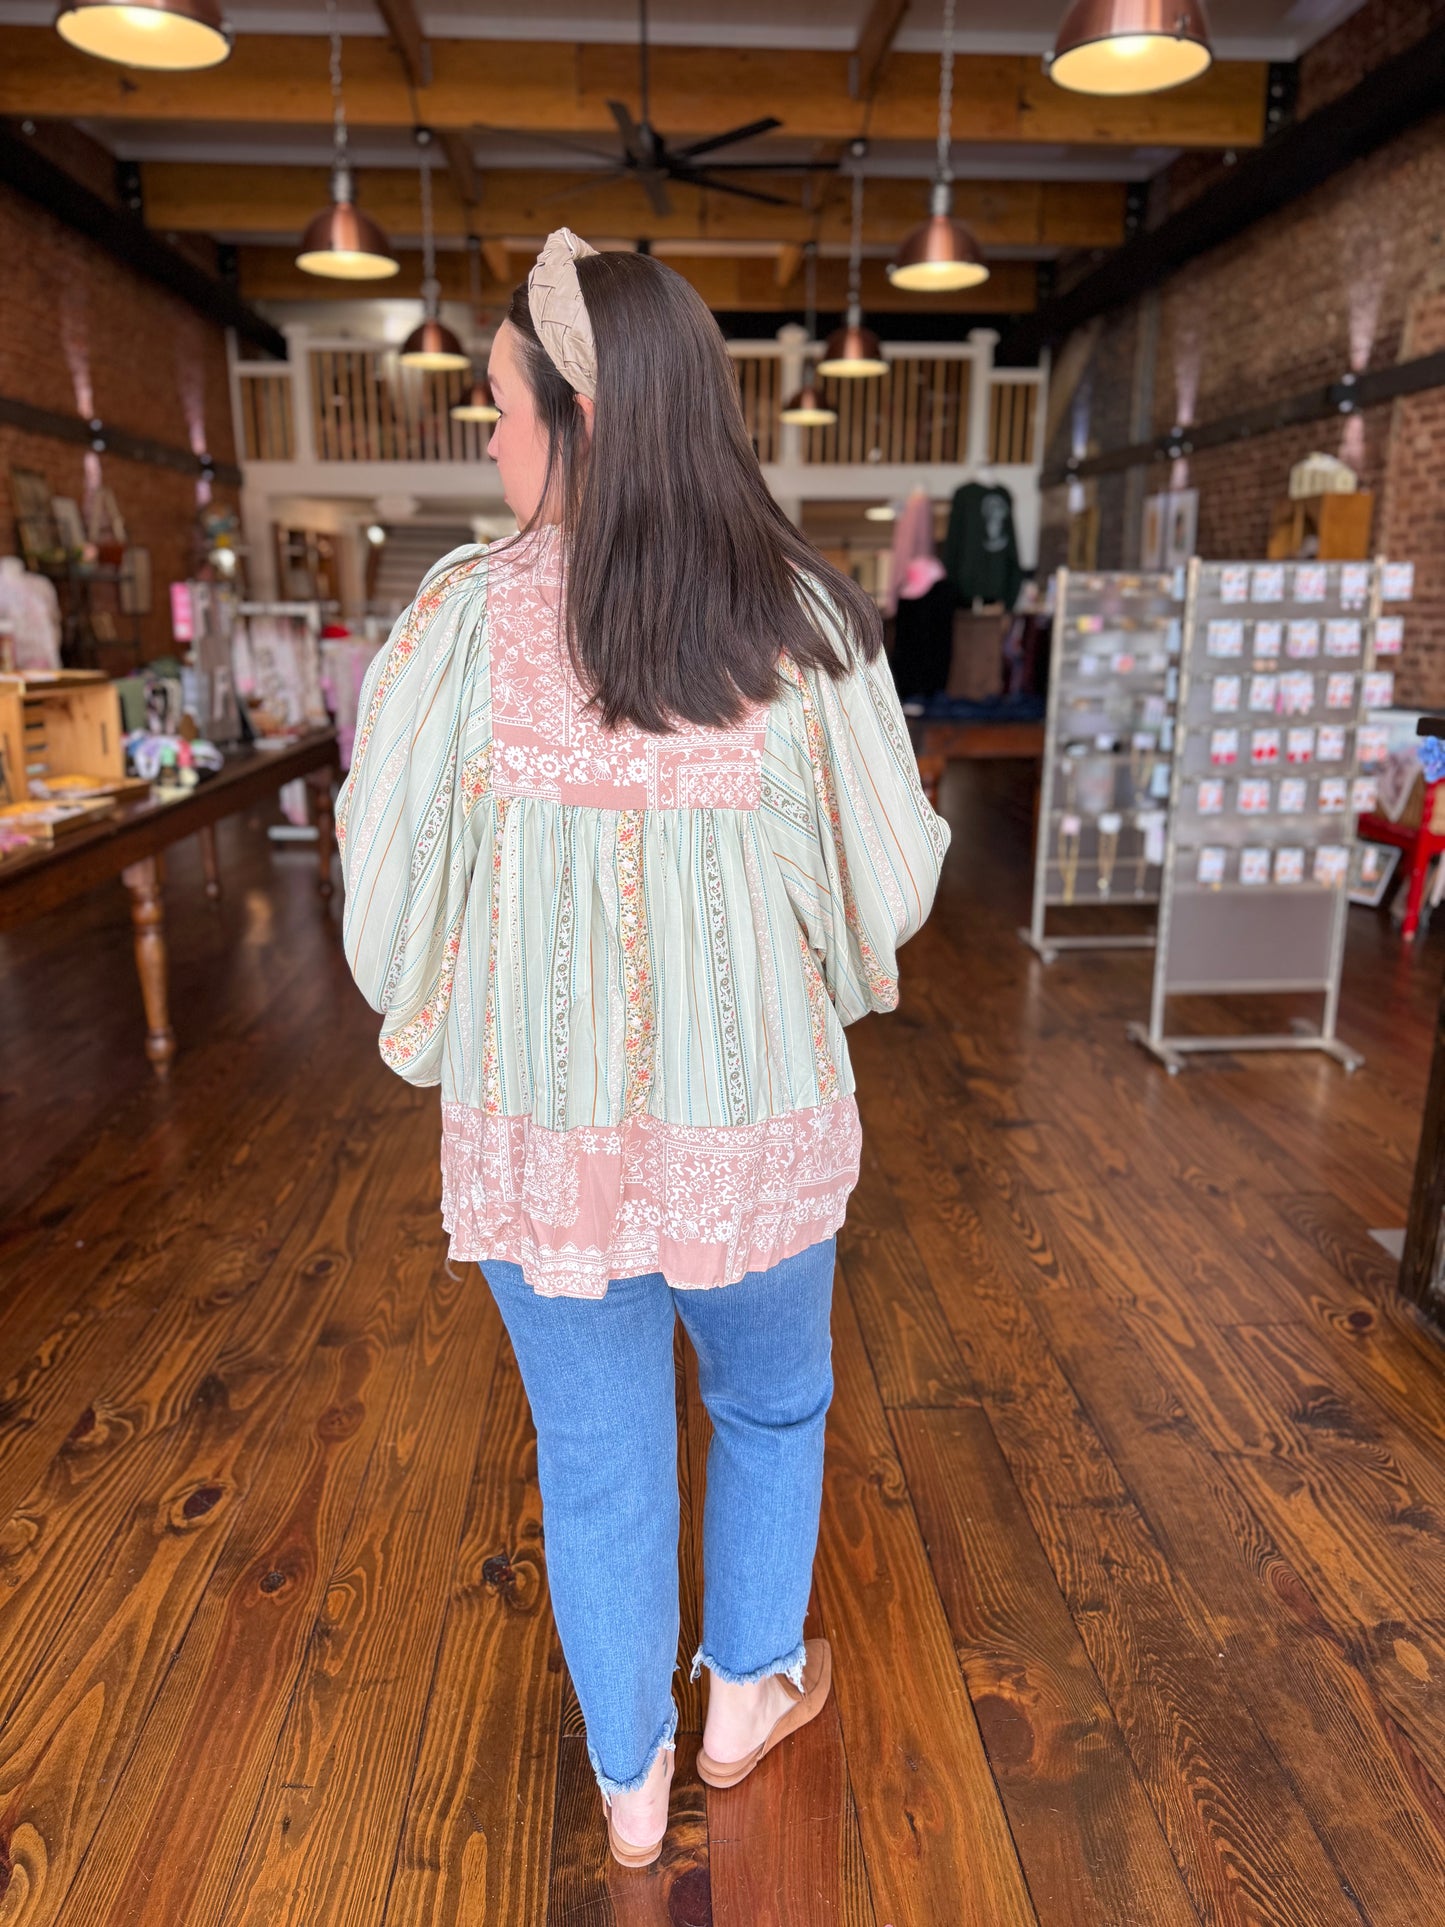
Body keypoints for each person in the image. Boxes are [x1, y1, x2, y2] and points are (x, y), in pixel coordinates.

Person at [335, 229, 949, 1869]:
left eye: (499, 410)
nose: (488, 439)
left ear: (582, 415)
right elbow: (888, 885)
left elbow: (386, 908)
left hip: (544, 1145)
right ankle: (746, 1696)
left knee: (595, 1454)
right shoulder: (809, 617)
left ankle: (629, 1780)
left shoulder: (460, 623)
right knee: (771, 1404)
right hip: (756, 1129)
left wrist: (448, 1001)